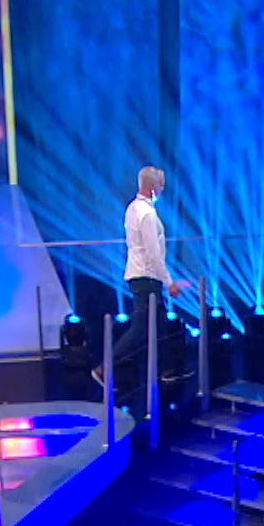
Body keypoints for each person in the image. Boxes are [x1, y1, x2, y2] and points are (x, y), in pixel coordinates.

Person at [93, 166, 182, 389]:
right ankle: (104, 368)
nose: (162, 189)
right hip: (146, 277)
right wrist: (169, 282)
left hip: (141, 276)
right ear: (152, 187)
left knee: (159, 324)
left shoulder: (133, 208)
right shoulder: (147, 214)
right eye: (160, 185)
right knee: (140, 329)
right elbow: (153, 254)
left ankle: (166, 370)